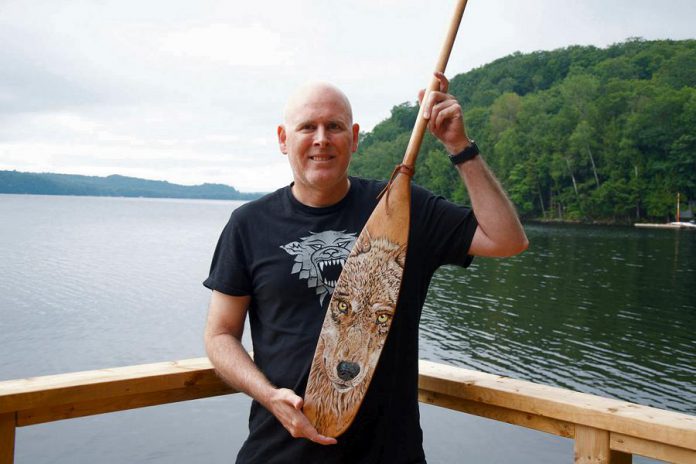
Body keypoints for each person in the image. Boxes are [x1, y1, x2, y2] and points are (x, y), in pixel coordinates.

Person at [203, 73, 528, 463]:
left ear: (355, 138)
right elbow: (220, 335)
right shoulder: (249, 224)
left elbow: (507, 239)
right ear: (283, 138)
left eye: (334, 127)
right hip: (279, 453)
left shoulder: (407, 209)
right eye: (308, 126)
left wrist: (460, 147)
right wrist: (268, 396)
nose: (322, 138)